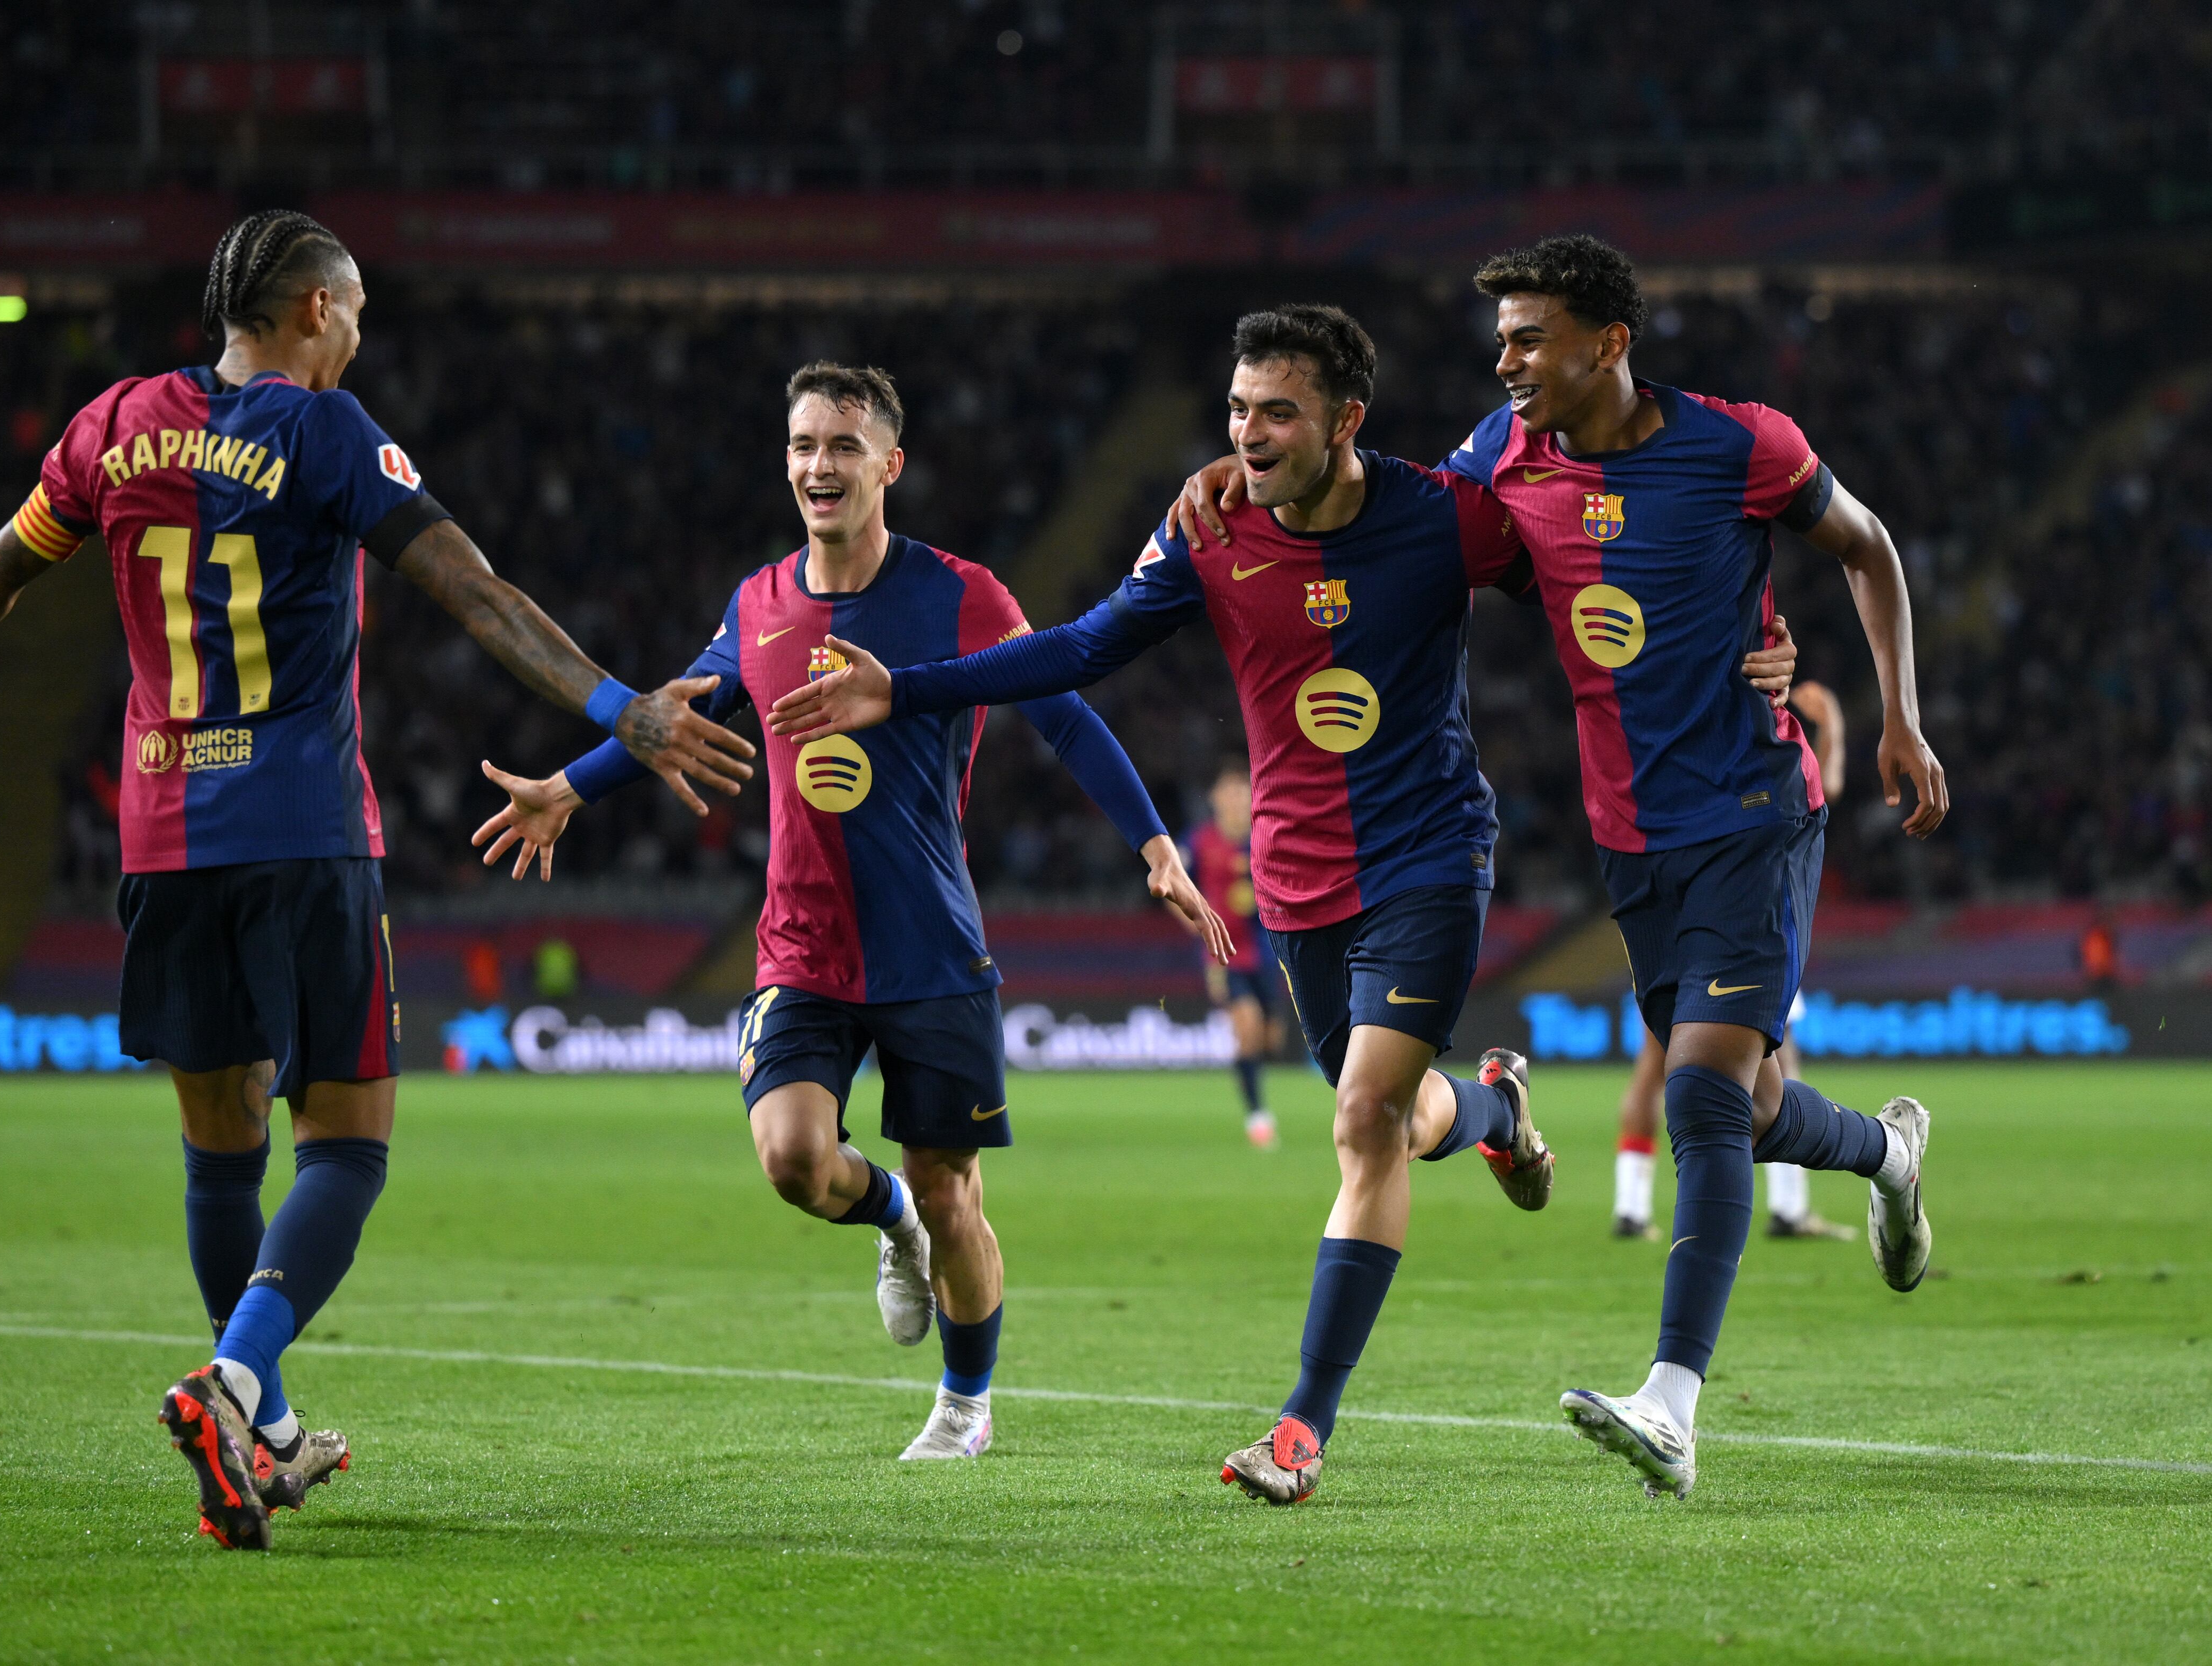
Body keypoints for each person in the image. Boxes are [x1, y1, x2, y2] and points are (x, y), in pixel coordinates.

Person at [0, 208, 755, 1549]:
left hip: (162, 836)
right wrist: (616, 707)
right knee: (347, 1141)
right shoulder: (326, 433)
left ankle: (272, 1433)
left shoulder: (114, 425)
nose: (359, 333)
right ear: (308, 310)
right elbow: (474, 590)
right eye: (352, 311)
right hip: (301, 828)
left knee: (218, 1146)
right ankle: (235, 1383)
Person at [766, 306, 1793, 1505]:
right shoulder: (1204, 529)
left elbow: (1590, 558)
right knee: (1395, 1117)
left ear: (1344, 421)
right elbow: (1082, 648)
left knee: (1360, 1123)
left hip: (1426, 860)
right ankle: (1495, 1113)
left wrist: (1751, 641)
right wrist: (909, 692)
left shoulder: (1440, 515)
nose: (1248, 435)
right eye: (1236, 413)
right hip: (1296, 887)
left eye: (1277, 413)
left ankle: (1299, 1429)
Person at [471, 362, 1229, 1462]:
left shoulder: (960, 595)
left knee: (956, 1189)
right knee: (791, 1158)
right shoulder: (758, 600)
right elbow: (669, 719)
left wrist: (1154, 845)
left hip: (928, 944)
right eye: (801, 446)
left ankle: (964, 1404)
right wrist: (566, 787)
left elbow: (1059, 712)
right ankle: (889, 1222)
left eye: (840, 445)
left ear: (888, 465)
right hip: (802, 945)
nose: (817, 465)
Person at [1441, 233, 1947, 1498]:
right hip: (1631, 833)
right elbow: (1385, 527)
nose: (1504, 360)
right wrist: (1241, 485)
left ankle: (1671, 1402)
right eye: (1499, 337)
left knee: (1703, 1094)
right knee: (1760, 1101)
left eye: (1528, 335)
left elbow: (1870, 547)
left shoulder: (1742, 445)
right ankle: (1886, 1156)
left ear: (1607, 344)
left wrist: (1899, 717)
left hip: (1756, 807)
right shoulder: (1501, 456)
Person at [1612, 676, 1856, 1243]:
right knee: (1776, 1064)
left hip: (1667, 903)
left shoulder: (1672, 738)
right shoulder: (1749, 735)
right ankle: (1788, 1208)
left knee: (1654, 1069)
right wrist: (1834, 730)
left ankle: (1629, 1206)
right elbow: (1820, 787)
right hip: (1738, 914)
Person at [1184, 758, 1285, 1148]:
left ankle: (1255, 1086)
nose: (1235, 798)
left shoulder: (1266, 836)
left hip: (1268, 949)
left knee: (1269, 1038)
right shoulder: (1198, 841)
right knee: (1246, 1026)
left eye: (1242, 791)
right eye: (1228, 791)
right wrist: (1199, 929)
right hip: (1224, 953)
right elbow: (1176, 889)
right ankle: (1258, 1116)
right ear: (1214, 798)